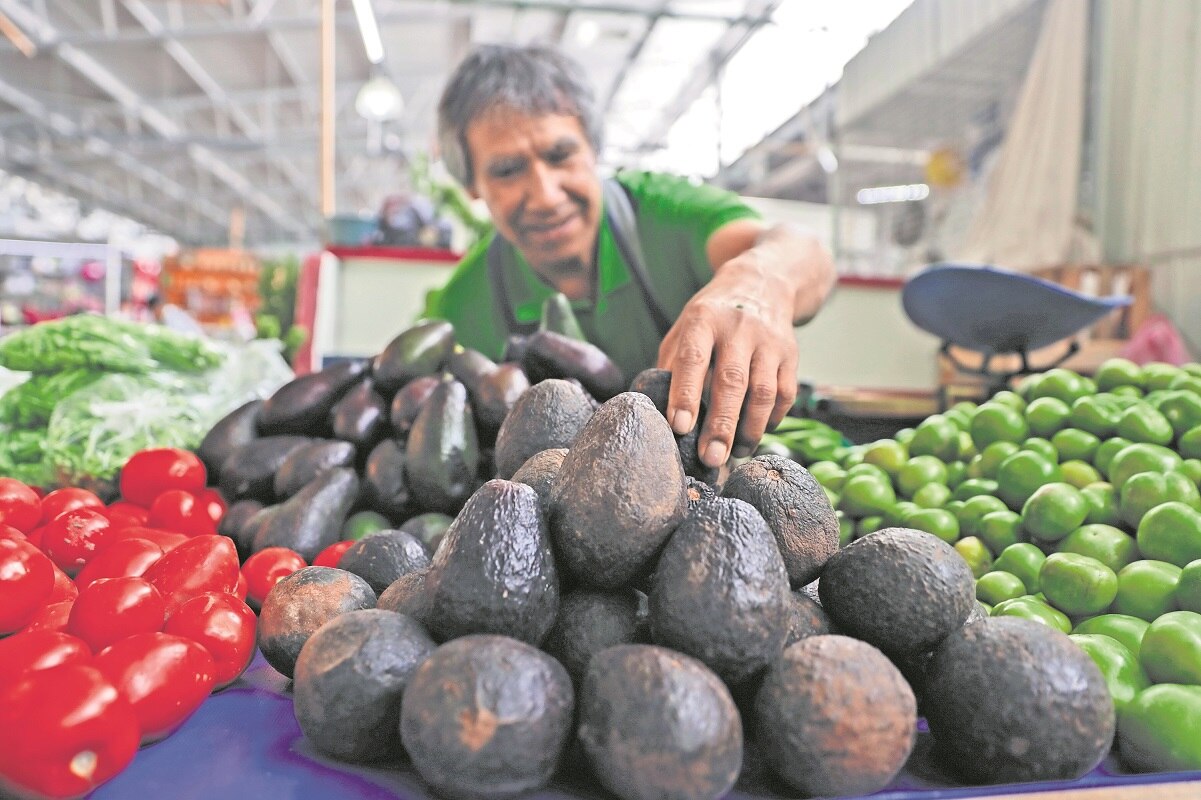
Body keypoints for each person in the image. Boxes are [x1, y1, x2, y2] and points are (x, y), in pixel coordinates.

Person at [424, 44, 835, 470]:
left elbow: (806, 254)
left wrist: (760, 283)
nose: (546, 196)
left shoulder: (661, 213)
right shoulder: (461, 309)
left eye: (560, 156)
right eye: (508, 170)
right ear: (472, 186)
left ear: (594, 149)